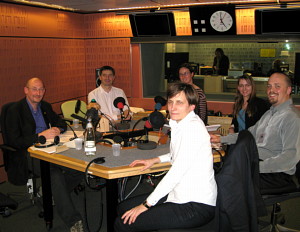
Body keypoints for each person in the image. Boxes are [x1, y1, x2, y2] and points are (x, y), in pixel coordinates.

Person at [114, 82, 217, 231]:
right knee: (123, 208)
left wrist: (146, 205)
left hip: (196, 204)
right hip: (179, 193)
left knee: (123, 223)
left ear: (192, 106)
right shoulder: (180, 122)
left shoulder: (192, 129)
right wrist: (155, 160)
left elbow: (176, 173)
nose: (173, 107)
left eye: (179, 103)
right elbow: (178, 154)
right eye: (170, 102)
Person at [5, 78, 84, 232]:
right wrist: (40, 136)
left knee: (78, 167)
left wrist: (57, 130)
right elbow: (14, 140)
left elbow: (61, 123)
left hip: (52, 148)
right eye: (34, 89)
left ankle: (49, 193)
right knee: (54, 175)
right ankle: (73, 220)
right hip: (28, 153)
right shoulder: (15, 110)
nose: (39, 93)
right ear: (26, 90)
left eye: (41, 89)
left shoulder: (45, 106)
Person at [211, 72, 300, 194]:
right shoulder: (269, 113)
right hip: (256, 161)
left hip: (276, 173)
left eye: (277, 86)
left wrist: (254, 167)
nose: (271, 90)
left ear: (289, 90)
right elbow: (247, 135)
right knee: (216, 171)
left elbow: (289, 159)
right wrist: (219, 139)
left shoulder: (292, 117)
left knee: (227, 183)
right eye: (269, 86)